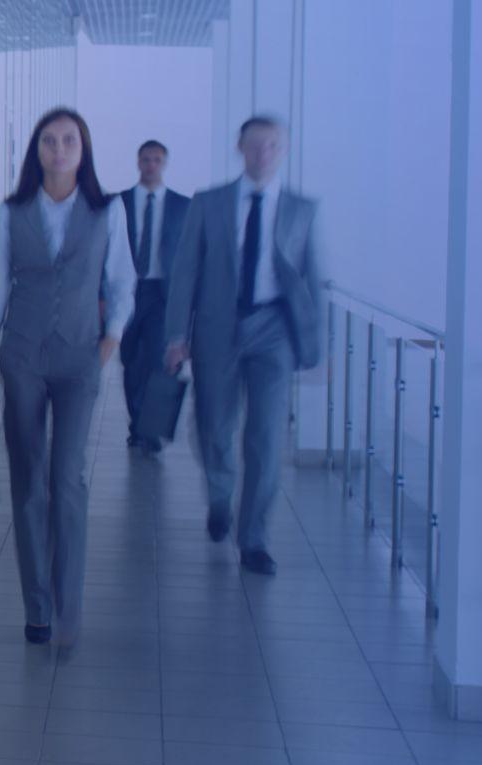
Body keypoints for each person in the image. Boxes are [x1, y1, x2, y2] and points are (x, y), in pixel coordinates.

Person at [0, 108, 136, 648]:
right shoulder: (11, 212)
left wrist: (109, 339)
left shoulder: (106, 211)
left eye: (69, 140)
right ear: (36, 151)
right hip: (21, 356)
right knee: (28, 483)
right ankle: (38, 608)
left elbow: (122, 280)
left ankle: (69, 603)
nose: (59, 149)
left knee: (68, 478)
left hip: (78, 360)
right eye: (49, 140)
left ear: (84, 149)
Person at [165, 116, 325, 576]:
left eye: (273, 146)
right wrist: (178, 335)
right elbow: (186, 272)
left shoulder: (301, 210)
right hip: (218, 326)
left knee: (266, 435)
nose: (264, 155)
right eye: (256, 146)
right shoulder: (210, 203)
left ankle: (253, 537)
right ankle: (220, 494)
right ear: (240, 148)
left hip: (273, 331)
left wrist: (316, 350)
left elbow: (312, 281)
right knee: (214, 425)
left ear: (284, 150)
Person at [117, 140, 192, 455]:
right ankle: (138, 425)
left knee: (159, 362)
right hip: (129, 289)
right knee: (131, 361)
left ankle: (152, 432)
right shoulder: (118, 203)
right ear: (138, 162)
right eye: (146, 160)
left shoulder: (182, 205)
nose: (151, 165)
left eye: (157, 160)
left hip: (164, 292)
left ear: (165, 163)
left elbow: (191, 257)